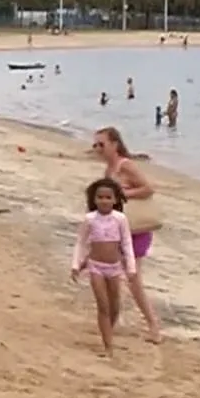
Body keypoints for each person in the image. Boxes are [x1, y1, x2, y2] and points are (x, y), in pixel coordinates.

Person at [92, 126, 162, 343]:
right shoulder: (109, 170)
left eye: (101, 144)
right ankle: (113, 320)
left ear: (115, 144)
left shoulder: (126, 166)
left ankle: (153, 327)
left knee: (132, 278)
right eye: (95, 145)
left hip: (137, 229)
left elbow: (148, 189)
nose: (98, 149)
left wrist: (123, 194)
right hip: (120, 229)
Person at [71, 177, 138, 357]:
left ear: (115, 200)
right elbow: (81, 243)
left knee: (115, 305)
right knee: (103, 305)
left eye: (108, 197)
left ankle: (108, 330)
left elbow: (126, 244)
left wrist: (131, 268)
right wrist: (76, 264)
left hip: (115, 267)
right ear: (94, 199)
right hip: (96, 267)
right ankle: (108, 345)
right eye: (100, 197)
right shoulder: (90, 219)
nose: (104, 201)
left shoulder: (120, 219)